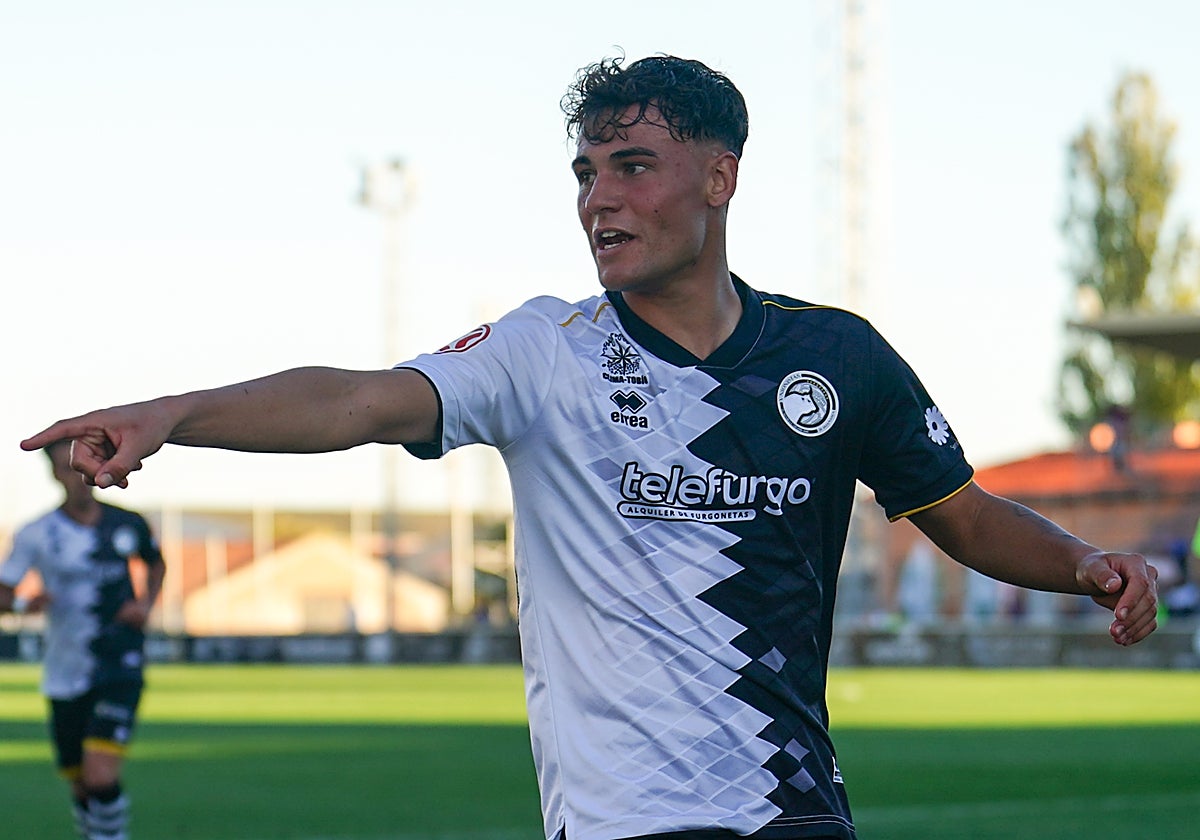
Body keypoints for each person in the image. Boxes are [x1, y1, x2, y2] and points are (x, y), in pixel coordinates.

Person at [21, 55, 1158, 840]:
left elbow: (961, 512)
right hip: (626, 822)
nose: (597, 200)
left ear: (720, 178)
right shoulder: (545, 353)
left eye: (632, 167)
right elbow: (359, 402)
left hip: (794, 808)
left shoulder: (836, 358)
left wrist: (1082, 563)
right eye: (584, 172)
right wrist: (174, 413)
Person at [1, 439, 166, 840]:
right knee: (80, 782)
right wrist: (23, 604)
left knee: (99, 775)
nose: (79, 477)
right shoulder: (37, 533)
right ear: (55, 474)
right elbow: (4, 592)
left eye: (85, 467)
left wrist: (145, 604)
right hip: (65, 668)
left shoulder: (127, 523)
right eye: (68, 468)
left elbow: (156, 563)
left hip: (119, 661)